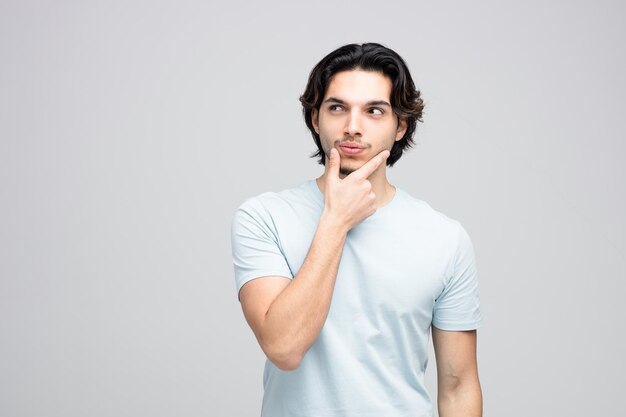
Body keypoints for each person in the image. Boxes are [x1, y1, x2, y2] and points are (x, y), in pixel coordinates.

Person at [231, 43, 483, 417]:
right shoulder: (263, 217)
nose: (352, 126)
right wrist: (336, 220)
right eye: (337, 108)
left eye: (374, 111)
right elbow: (284, 347)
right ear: (315, 118)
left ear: (401, 126)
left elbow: (459, 386)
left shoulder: (445, 238)